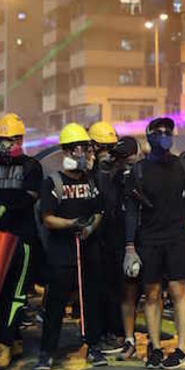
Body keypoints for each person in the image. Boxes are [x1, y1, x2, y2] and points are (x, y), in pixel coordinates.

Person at [124, 117, 185, 369]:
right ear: (149, 137)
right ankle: (155, 348)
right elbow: (131, 212)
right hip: (149, 239)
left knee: (179, 291)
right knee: (152, 294)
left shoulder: (181, 167)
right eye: (158, 131)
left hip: (177, 237)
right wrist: (129, 246)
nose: (164, 135)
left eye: (168, 131)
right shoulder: (139, 170)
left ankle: (181, 348)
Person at [0, 114, 43, 370]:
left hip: (21, 239)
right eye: (1, 139)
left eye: (10, 139)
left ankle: (4, 346)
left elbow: (29, 197)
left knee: (15, 294)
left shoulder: (31, 166)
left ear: (20, 140)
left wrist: (6, 208)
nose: (5, 143)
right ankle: (10, 339)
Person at [34, 123, 105, 370]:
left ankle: (93, 347)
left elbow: (98, 210)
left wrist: (90, 228)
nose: (84, 154)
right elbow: (47, 218)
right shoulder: (53, 182)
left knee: (90, 300)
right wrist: (70, 224)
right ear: (66, 151)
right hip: (62, 251)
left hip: (87, 248)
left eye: (85, 148)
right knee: (56, 302)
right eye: (79, 148)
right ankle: (47, 352)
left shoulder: (90, 180)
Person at [87, 121, 123, 355]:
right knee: (97, 288)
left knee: (114, 288)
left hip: (115, 238)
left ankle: (115, 332)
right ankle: (99, 333)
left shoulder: (120, 173)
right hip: (95, 238)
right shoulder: (88, 173)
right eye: (104, 148)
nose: (108, 154)